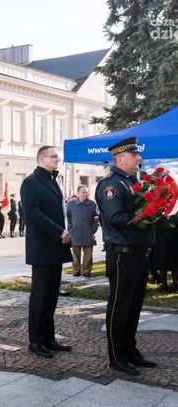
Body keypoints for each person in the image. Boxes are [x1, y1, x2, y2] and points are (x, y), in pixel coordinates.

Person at [95, 136, 156, 376]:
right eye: (134, 155)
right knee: (120, 306)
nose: (139, 158)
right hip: (123, 255)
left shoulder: (132, 182)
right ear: (120, 159)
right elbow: (115, 218)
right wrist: (148, 215)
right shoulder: (111, 185)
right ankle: (117, 356)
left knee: (134, 306)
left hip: (140, 254)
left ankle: (130, 350)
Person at [20, 146, 72, 358]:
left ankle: (49, 338)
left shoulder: (51, 180)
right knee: (40, 296)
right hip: (42, 247)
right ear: (41, 159)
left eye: (57, 156)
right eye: (53, 156)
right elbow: (32, 213)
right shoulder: (31, 181)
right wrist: (58, 231)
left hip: (55, 246)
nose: (57, 159)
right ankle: (35, 341)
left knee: (51, 296)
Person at [66, 185, 98, 277]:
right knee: (75, 254)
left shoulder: (92, 204)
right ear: (78, 194)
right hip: (75, 232)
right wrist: (70, 227)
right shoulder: (71, 204)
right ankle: (76, 270)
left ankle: (86, 271)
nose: (85, 194)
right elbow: (68, 217)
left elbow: (96, 218)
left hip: (88, 232)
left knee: (88, 254)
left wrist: (93, 229)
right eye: (83, 192)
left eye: (86, 192)